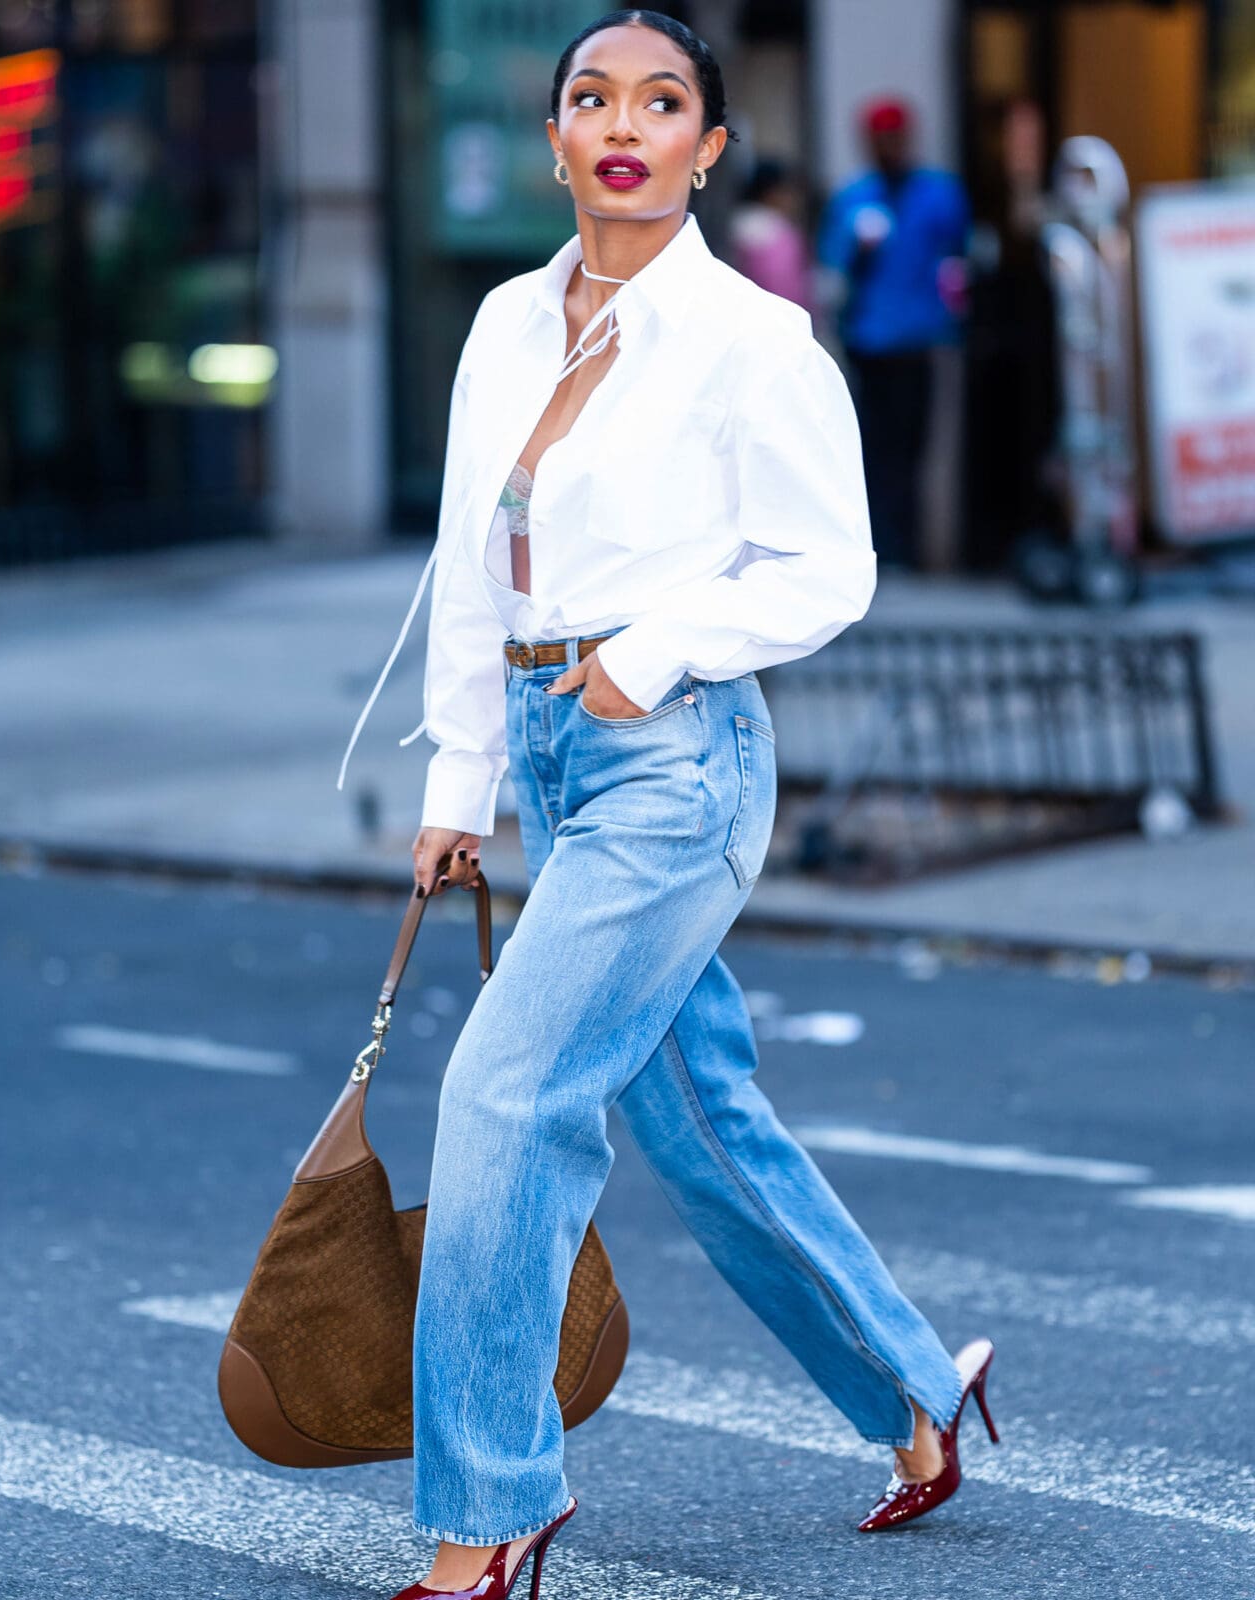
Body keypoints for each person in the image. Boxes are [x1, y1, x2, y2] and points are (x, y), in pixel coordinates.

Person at [340, 14, 998, 1597]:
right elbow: (471, 566)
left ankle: (492, 1509)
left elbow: (829, 567)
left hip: (680, 758)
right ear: (558, 139)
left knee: (506, 1095)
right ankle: (914, 1392)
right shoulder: (506, 322)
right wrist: (461, 777)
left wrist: (655, 655)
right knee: (697, 1120)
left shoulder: (752, 339)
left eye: (661, 102)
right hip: (551, 749)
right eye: (592, 98)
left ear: (707, 149)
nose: (623, 125)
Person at [818, 97, 971, 569]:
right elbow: (833, 265)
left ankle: (913, 546)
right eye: (879, 140)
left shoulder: (940, 194)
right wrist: (858, 251)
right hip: (869, 340)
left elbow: (960, 258)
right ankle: (880, 547)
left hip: (921, 339)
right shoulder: (853, 199)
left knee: (916, 446)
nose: (888, 148)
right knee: (872, 446)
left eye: (895, 139)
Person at [728, 155, 815, 312]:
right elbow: (782, 285)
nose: (795, 199)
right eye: (788, 191)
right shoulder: (774, 234)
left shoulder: (742, 226)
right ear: (771, 193)